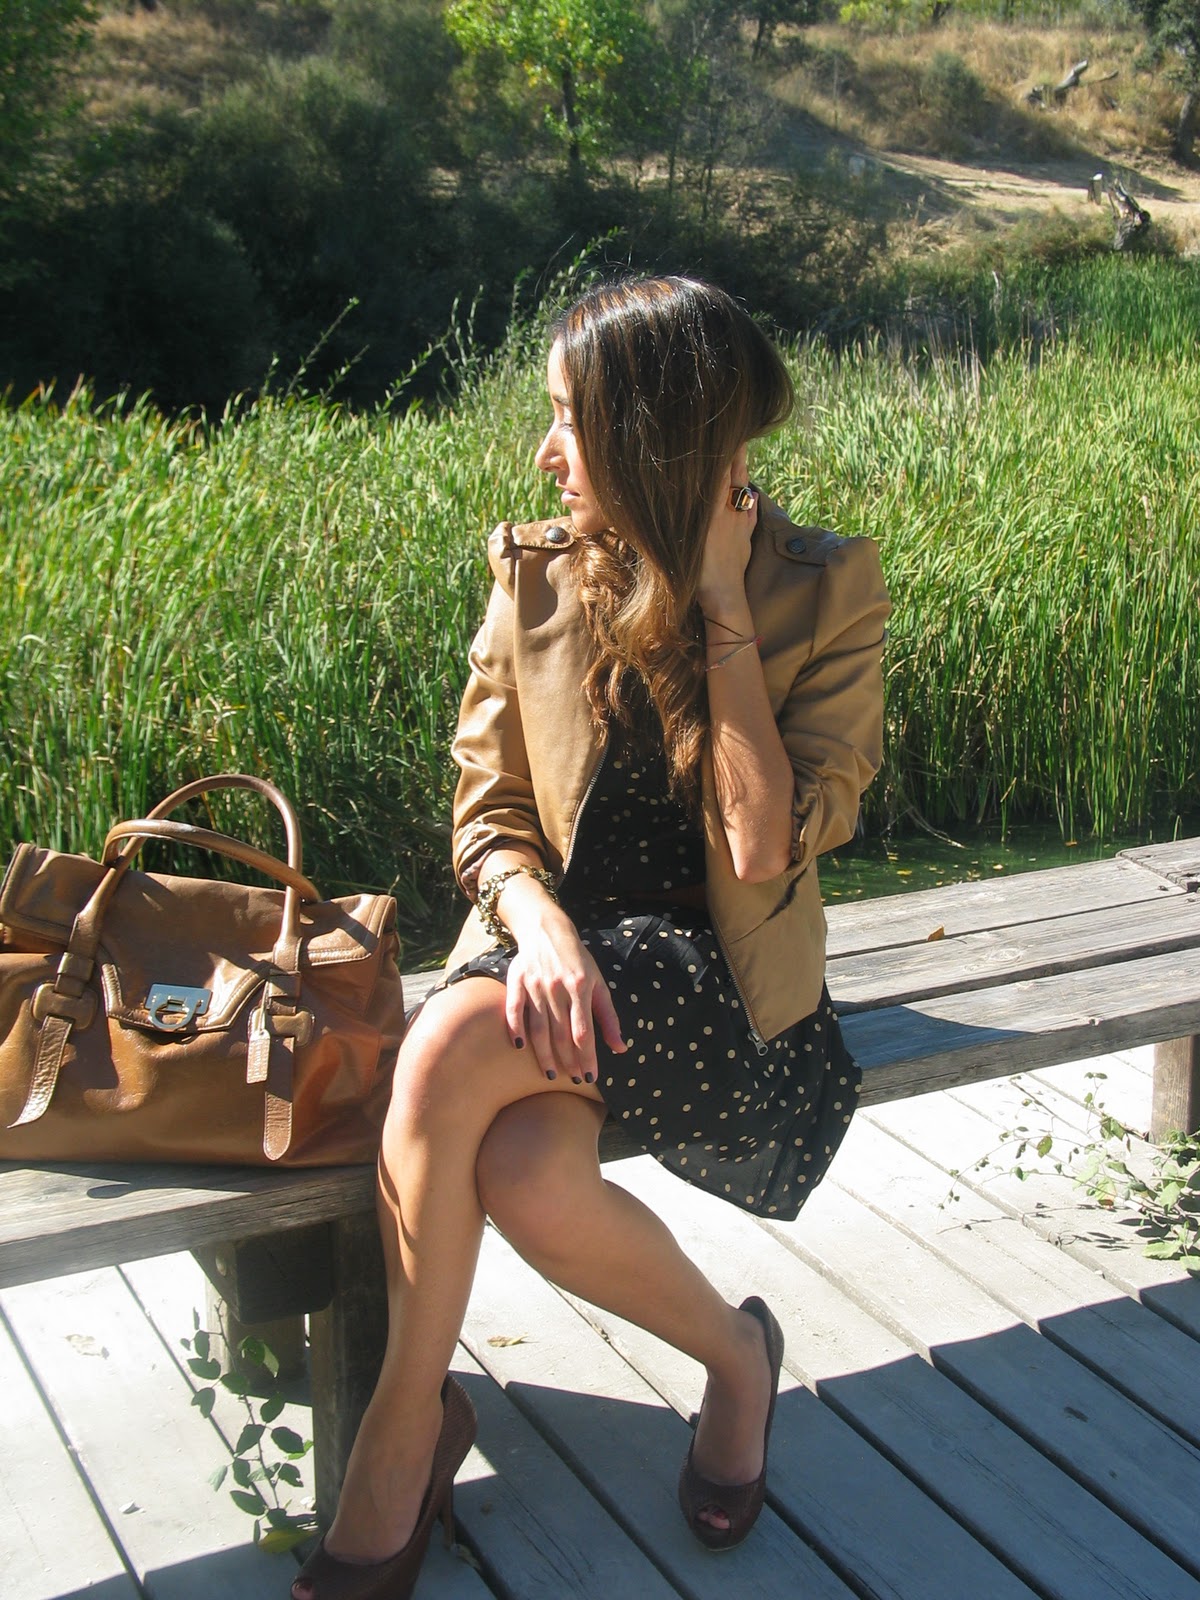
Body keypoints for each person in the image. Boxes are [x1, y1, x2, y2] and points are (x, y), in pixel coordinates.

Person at [291, 275, 890, 1600]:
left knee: (449, 1043)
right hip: (551, 969)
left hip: (722, 990)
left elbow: (760, 847)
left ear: (654, 438)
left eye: (571, 420)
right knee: (527, 1172)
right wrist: (538, 923)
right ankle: (738, 1356)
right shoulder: (537, 573)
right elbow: (487, 809)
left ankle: (400, 1439)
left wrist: (720, 600)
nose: (544, 452)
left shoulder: (825, 590)